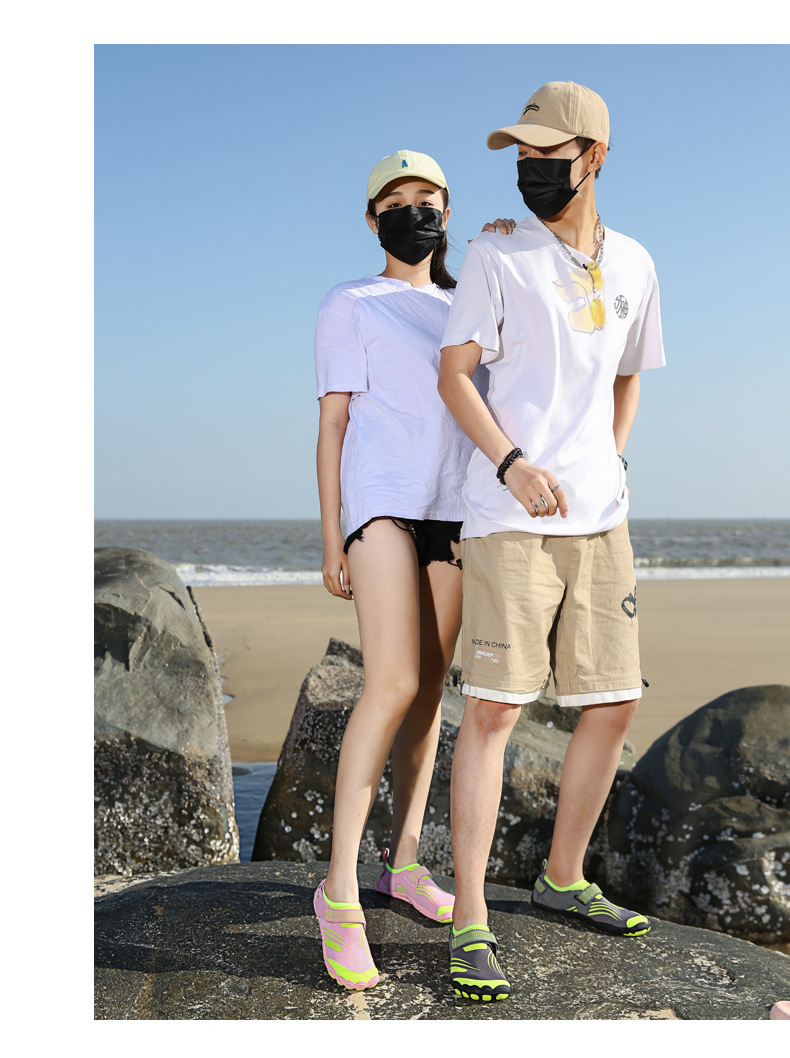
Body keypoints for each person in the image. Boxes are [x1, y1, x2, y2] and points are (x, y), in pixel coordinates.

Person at [438, 81, 666, 1002]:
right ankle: (470, 917)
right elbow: (456, 375)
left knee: (612, 704)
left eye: (548, 154)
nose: (530, 168)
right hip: (509, 518)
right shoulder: (495, 254)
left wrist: (612, 458)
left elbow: (630, 374)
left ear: (595, 157)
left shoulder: (638, 262)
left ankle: (562, 877)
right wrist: (511, 464)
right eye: (522, 156)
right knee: (495, 711)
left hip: (601, 518)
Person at [313, 149, 508, 991]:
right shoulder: (351, 302)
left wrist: (511, 249)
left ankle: (402, 865)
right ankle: (338, 891)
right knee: (390, 683)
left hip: (457, 510)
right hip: (383, 504)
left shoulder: (467, 308)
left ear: (447, 212)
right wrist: (332, 538)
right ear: (372, 220)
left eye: (427, 197)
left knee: (430, 691)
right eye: (395, 201)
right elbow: (332, 426)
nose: (413, 210)